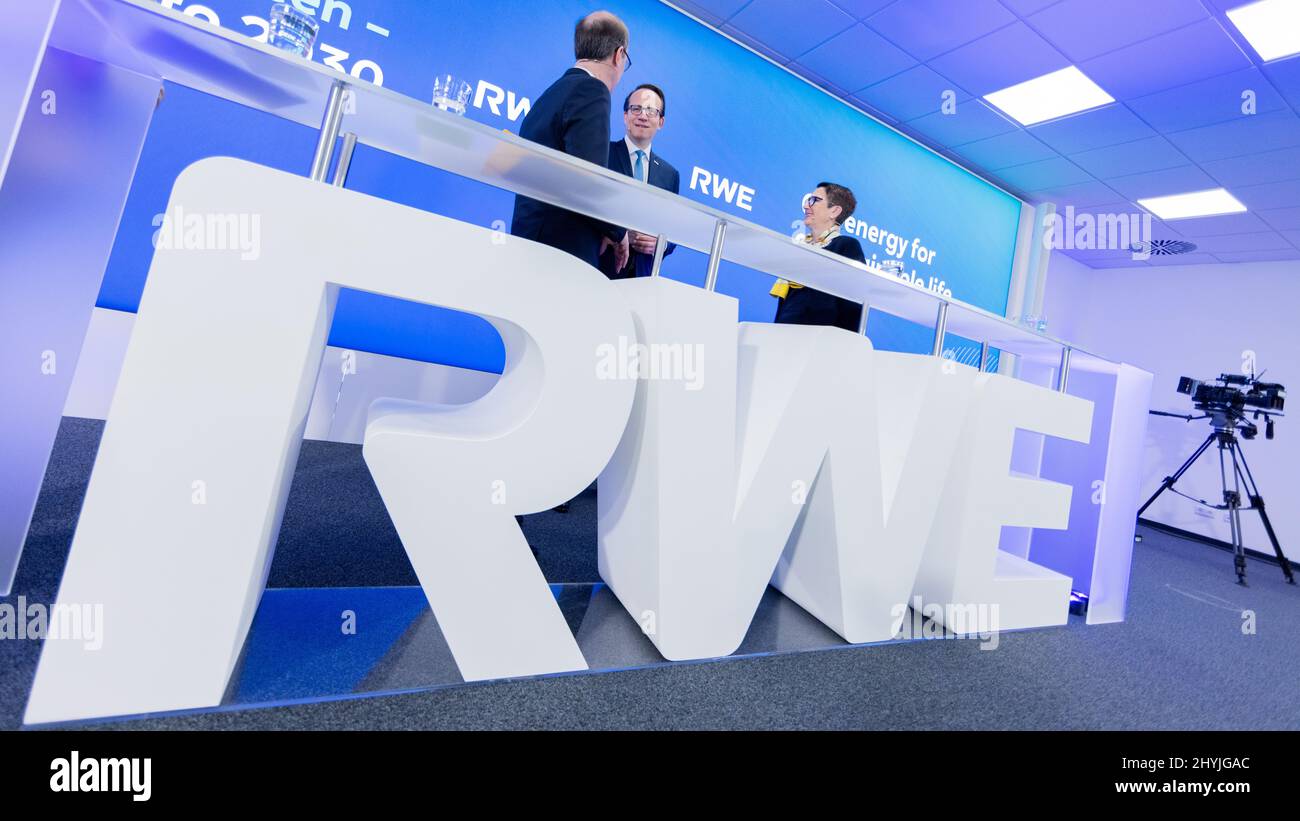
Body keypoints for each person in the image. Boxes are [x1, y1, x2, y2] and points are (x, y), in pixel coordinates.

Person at [510, 11, 631, 270]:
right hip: (560, 254)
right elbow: (586, 179)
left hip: (530, 245)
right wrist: (619, 234)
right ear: (619, 55)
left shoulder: (552, 93)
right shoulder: (592, 90)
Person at [599, 83, 681, 279]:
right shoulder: (602, 154)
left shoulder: (670, 175)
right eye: (636, 109)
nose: (643, 116)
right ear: (625, 116)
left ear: (661, 121)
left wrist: (660, 244)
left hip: (641, 277)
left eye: (651, 111)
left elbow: (673, 231)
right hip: (598, 267)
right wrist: (614, 236)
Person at [772, 182, 866, 332]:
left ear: (834, 211)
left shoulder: (846, 246)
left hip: (818, 343)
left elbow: (853, 304)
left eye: (814, 200)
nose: (807, 206)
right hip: (783, 336)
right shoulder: (801, 247)